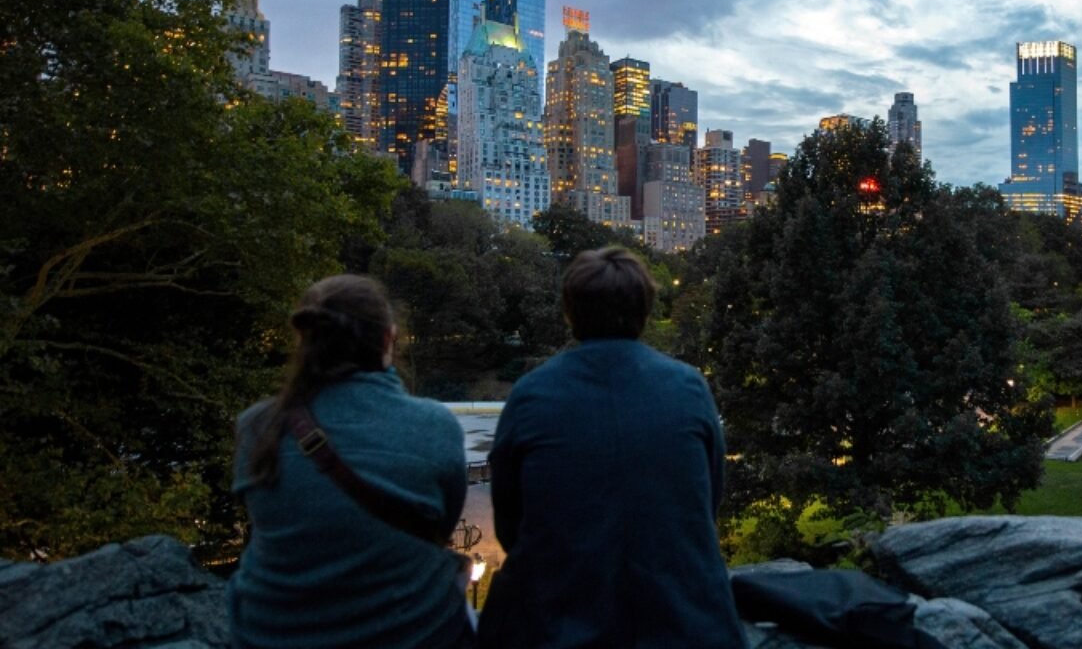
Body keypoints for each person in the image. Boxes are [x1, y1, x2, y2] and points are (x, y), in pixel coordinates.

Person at [479, 246, 745, 648]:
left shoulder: (533, 393)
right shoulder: (689, 387)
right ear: (646, 309)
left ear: (570, 312)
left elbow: (509, 524)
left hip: (553, 625)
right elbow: (706, 501)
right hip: (689, 624)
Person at [229, 275, 472, 648]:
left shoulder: (257, 427)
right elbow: (441, 523)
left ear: (305, 340)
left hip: (270, 634)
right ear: (388, 339)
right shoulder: (435, 426)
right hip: (414, 633)